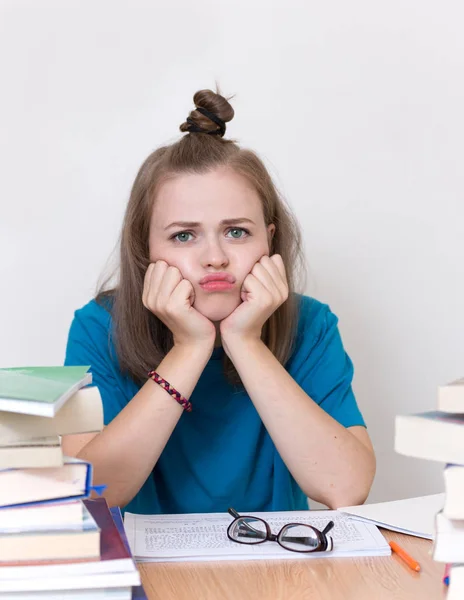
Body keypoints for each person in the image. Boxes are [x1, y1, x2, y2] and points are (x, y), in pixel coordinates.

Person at [63, 88, 376, 515]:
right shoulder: (99, 327)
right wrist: (188, 348)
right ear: (146, 250)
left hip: (279, 572)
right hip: (145, 576)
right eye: (183, 235)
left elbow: (346, 487)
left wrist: (246, 342)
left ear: (270, 238)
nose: (215, 257)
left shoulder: (311, 325)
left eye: (236, 232)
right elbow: (90, 494)